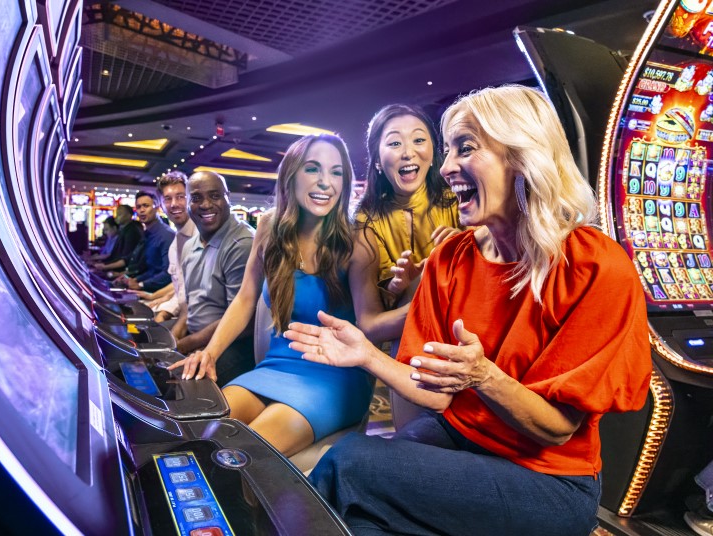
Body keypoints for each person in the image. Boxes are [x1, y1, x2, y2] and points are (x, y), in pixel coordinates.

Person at [284, 85, 652, 536]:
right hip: (462, 435)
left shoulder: (598, 266)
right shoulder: (451, 257)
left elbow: (556, 429)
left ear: (522, 155)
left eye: (465, 148)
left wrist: (484, 376)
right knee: (361, 516)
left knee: (349, 462)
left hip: (549, 479)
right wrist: (367, 354)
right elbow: (438, 394)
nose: (445, 167)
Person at [172, 134, 406, 456]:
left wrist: (423, 303)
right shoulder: (268, 227)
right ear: (291, 174)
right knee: (198, 433)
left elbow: (370, 324)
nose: (326, 182)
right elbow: (245, 299)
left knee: (240, 453)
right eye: (313, 169)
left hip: (334, 377)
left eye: (336, 172)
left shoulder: (357, 241)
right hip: (275, 366)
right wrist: (210, 353)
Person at [357, 103, 460, 308]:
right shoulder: (366, 220)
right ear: (377, 160)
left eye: (419, 140)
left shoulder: (459, 200)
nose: (408, 153)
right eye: (395, 143)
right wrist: (398, 286)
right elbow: (373, 311)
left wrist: (466, 246)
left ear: (433, 152)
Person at [173, 171, 255, 386]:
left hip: (233, 344)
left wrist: (186, 345)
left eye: (215, 196)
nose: (206, 205)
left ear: (228, 198)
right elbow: (189, 305)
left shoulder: (242, 243)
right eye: (197, 198)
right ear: (188, 202)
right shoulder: (190, 244)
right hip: (196, 336)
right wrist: (173, 338)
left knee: (181, 384)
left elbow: (244, 320)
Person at [133, 172, 197, 324]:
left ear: (190, 199)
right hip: (180, 311)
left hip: (195, 319)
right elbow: (179, 285)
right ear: (161, 205)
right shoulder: (176, 241)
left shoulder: (199, 236)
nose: (174, 204)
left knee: (138, 328)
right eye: (168, 199)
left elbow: (193, 294)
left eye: (180, 196)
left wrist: (163, 311)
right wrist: (156, 298)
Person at [119, 191, 174, 292]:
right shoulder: (148, 233)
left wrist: (140, 284)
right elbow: (152, 270)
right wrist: (135, 280)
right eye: (139, 207)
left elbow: (169, 273)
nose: (142, 210)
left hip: (162, 293)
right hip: (149, 288)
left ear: (157, 208)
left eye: (146, 206)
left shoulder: (166, 235)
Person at [93, 204, 142, 274]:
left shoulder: (132, 231)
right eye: (117, 214)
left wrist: (105, 266)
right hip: (118, 269)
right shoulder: (126, 229)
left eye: (120, 214)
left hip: (124, 272)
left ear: (129, 215)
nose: (117, 217)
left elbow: (125, 257)